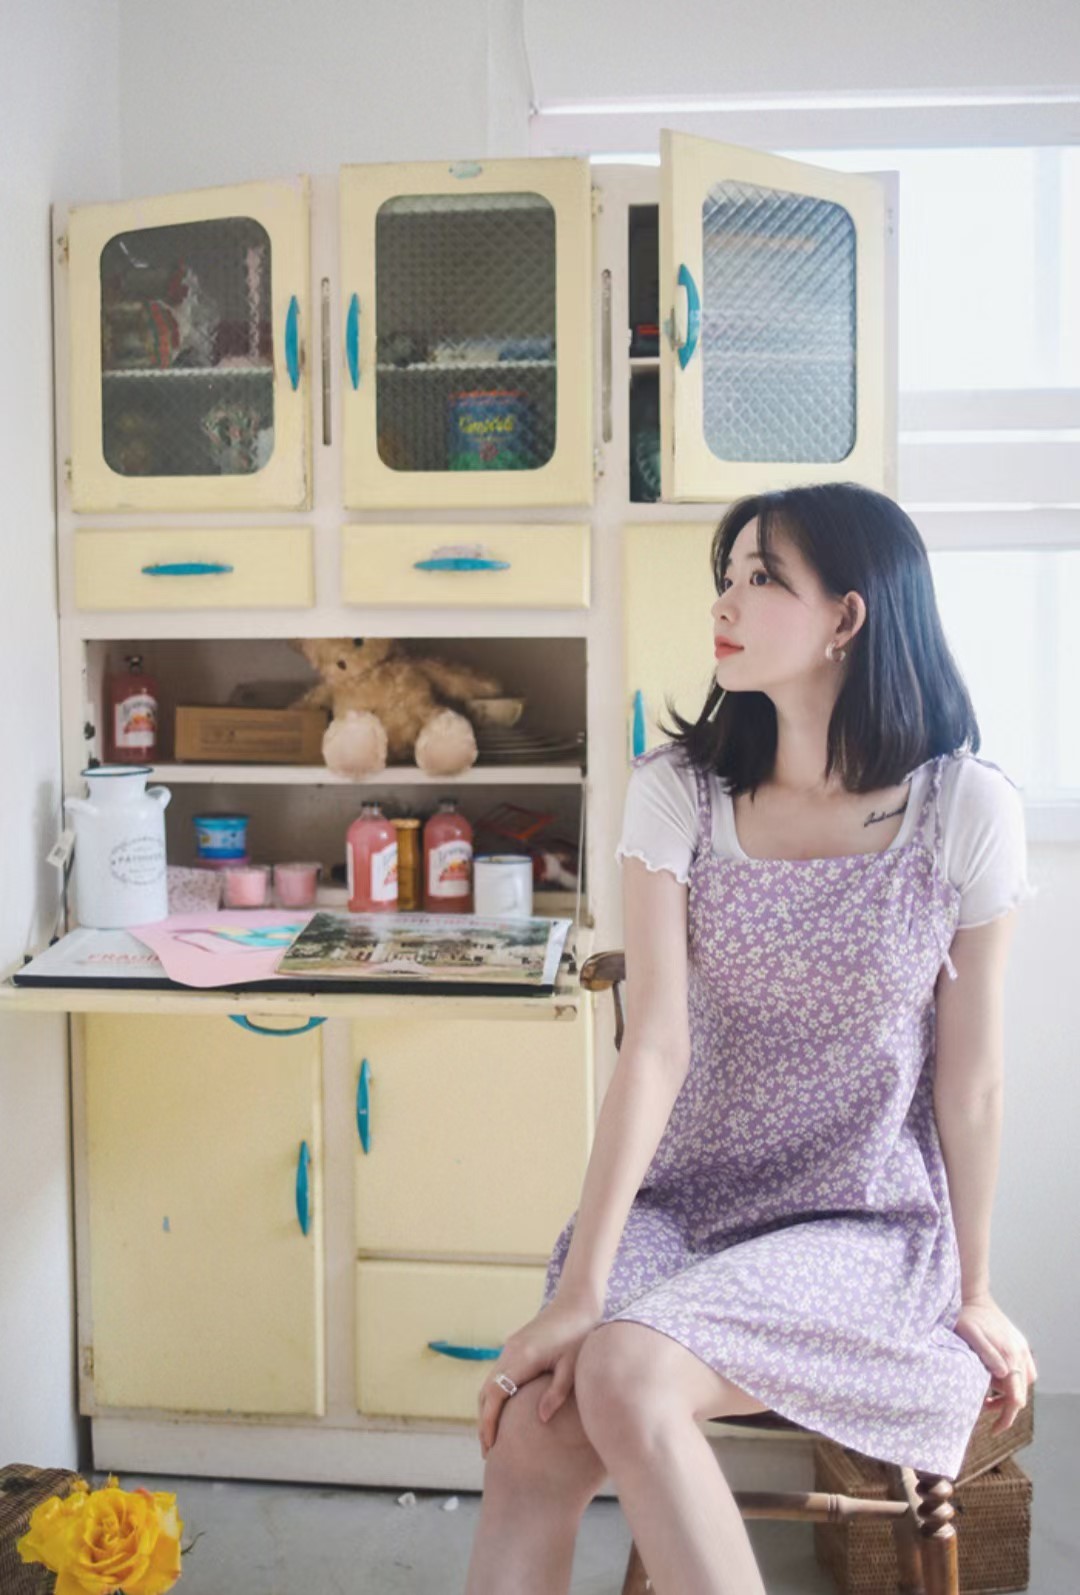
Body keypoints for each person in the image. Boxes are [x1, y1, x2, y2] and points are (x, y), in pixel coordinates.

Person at [463, 482, 1039, 1595]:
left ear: (848, 617)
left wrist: (975, 1285)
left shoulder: (964, 809)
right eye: (725, 577)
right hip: (683, 1207)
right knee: (536, 1432)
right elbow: (655, 1046)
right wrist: (581, 1286)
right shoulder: (678, 792)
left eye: (762, 578)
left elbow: (971, 1081)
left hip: (862, 1222)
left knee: (625, 1372)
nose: (724, 603)